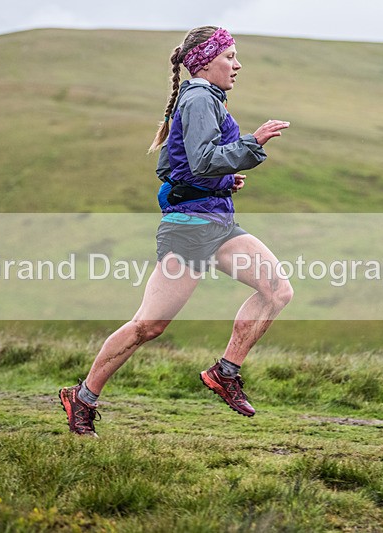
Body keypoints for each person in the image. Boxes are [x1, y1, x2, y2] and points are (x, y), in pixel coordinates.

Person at [59, 26, 292, 436]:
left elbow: (183, 167)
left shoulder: (207, 99)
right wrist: (253, 143)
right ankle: (83, 397)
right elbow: (202, 161)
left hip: (217, 221)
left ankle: (225, 373)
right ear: (205, 61)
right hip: (188, 230)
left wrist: (225, 181)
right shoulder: (200, 96)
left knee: (277, 290)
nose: (237, 65)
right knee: (148, 326)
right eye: (230, 57)